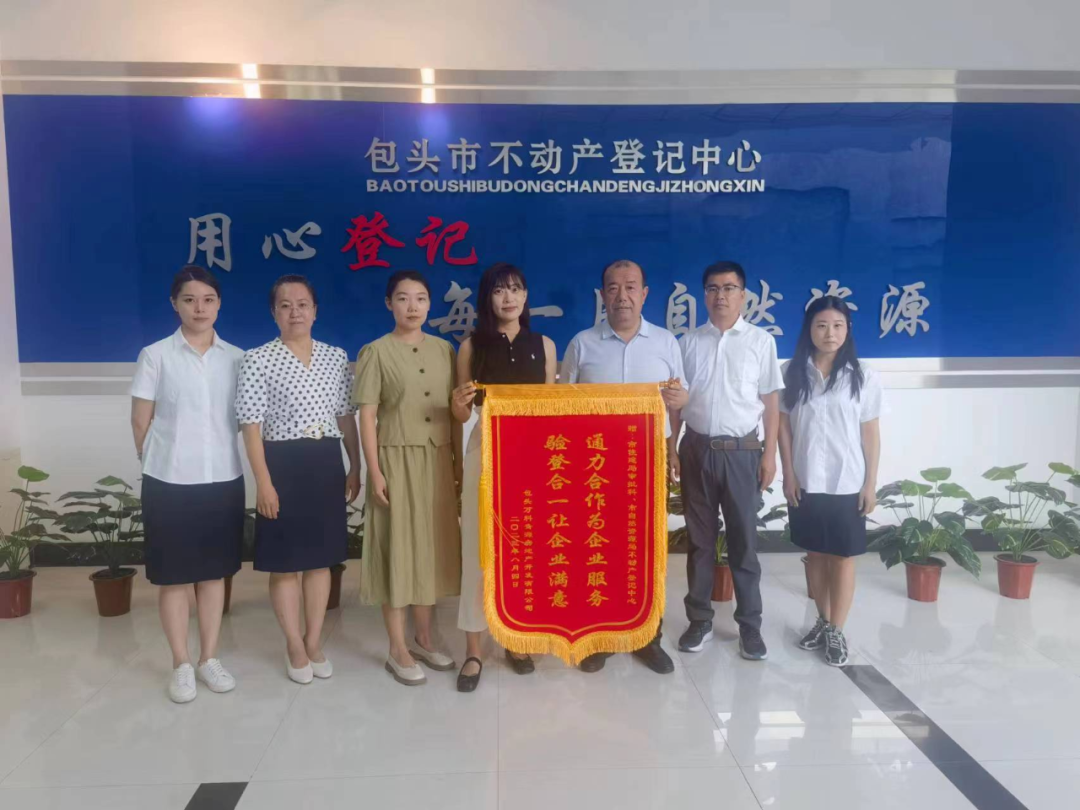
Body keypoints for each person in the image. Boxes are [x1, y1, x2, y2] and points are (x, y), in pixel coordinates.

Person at [561, 259, 687, 675]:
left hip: (647, 464)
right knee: (598, 548)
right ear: (602, 296)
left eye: (631, 287)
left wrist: (673, 447)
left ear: (645, 293)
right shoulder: (582, 343)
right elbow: (561, 406)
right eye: (613, 288)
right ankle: (600, 635)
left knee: (647, 550)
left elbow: (678, 400)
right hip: (594, 467)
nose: (622, 296)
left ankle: (648, 636)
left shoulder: (666, 342)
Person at [236, 274, 361, 685]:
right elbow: (251, 428)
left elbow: (345, 417)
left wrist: (355, 466)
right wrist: (263, 483)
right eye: (285, 305)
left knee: (321, 559)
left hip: (325, 461)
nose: (295, 312)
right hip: (282, 463)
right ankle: (293, 643)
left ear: (315, 311)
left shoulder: (334, 357)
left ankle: (313, 640)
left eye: (303, 304)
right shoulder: (257, 359)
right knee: (286, 562)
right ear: (274, 312)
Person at [131, 265, 246, 704]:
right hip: (169, 481)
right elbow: (140, 421)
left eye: (208, 299)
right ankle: (180, 662)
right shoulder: (155, 355)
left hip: (222, 478)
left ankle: (209, 657)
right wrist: (158, 459)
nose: (200, 308)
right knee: (174, 577)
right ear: (174, 304)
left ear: (220, 304)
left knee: (214, 574)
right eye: (190, 299)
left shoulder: (237, 358)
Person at [450, 263, 557, 692]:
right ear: (488, 298)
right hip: (485, 450)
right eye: (499, 290)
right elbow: (460, 413)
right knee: (478, 548)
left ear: (526, 296)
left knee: (523, 549)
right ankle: (474, 650)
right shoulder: (470, 346)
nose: (508, 297)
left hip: (531, 454)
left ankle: (517, 638)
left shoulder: (544, 345)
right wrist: (459, 403)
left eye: (515, 289)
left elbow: (550, 408)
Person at [672, 261, 784, 661]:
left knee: (744, 543)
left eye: (729, 288)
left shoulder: (760, 342)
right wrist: (672, 447)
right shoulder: (687, 343)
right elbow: (675, 401)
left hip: (742, 453)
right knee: (700, 542)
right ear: (704, 295)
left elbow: (771, 402)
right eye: (713, 288)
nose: (720, 296)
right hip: (696, 450)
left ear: (743, 295)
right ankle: (699, 620)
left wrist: (769, 454)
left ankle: (749, 626)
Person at [355, 270, 462, 686]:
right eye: (402, 298)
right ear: (389, 304)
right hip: (395, 460)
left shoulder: (444, 350)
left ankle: (423, 638)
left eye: (420, 298)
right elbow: (367, 416)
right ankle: (397, 648)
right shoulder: (375, 352)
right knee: (398, 549)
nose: (412, 306)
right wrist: (374, 471)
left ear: (430, 304)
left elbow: (455, 410)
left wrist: (457, 466)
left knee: (429, 550)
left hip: (437, 459)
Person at [779, 296, 882, 667]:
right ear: (809, 329)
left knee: (842, 557)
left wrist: (870, 484)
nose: (830, 333)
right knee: (816, 555)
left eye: (838, 325)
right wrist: (789, 473)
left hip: (846, 480)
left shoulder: (863, 375)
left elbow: (870, 432)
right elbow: (784, 428)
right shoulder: (791, 371)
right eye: (822, 325)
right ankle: (823, 623)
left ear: (848, 329)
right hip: (806, 479)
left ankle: (837, 630)